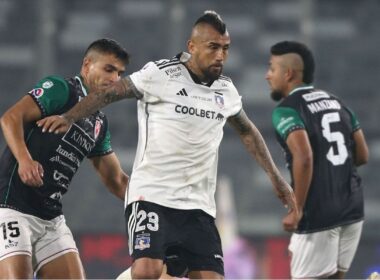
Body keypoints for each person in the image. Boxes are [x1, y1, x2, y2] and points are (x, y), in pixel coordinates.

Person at [37, 11, 298, 279]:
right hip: (152, 196)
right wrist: (70, 116)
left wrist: (277, 179)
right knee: (147, 271)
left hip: (198, 206)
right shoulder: (160, 74)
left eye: (225, 48)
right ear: (192, 47)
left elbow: (248, 132)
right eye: (213, 47)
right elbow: (110, 93)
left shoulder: (226, 91)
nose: (220, 55)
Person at [0, 38, 130, 278]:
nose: (114, 79)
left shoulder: (99, 122)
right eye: (108, 69)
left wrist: (157, 202)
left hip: (51, 218)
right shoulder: (62, 89)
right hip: (12, 207)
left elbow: (117, 181)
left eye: (120, 73)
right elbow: (10, 118)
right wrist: (25, 160)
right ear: (87, 65)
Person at [266, 41, 369, 279]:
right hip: (353, 208)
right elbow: (362, 155)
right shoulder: (338, 102)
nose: (267, 75)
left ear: (288, 73)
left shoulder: (286, 110)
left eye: (272, 68)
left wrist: (297, 209)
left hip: (318, 214)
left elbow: (304, 157)